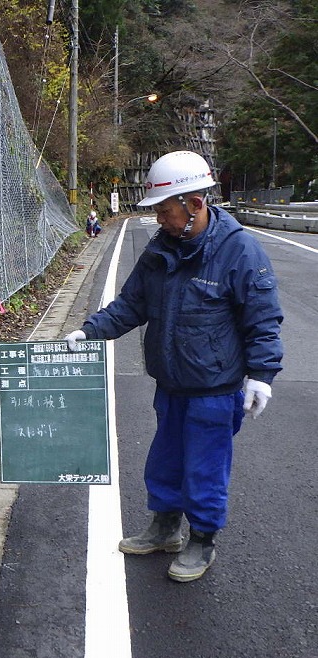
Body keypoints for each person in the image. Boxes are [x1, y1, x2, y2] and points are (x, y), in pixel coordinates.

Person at [64, 150, 283, 582]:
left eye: (165, 211)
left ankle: (201, 539)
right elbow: (131, 305)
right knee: (165, 460)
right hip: (171, 383)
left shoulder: (239, 250)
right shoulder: (160, 248)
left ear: (194, 205)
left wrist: (262, 376)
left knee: (204, 468)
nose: (160, 219)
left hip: (215, 390)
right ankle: (165, 528)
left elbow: (263, 319)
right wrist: (88, 332)